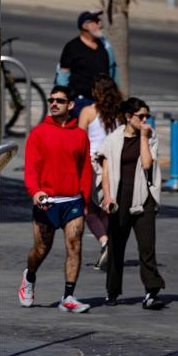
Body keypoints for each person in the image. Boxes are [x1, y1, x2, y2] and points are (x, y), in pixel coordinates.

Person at [20, 85, 92, 313]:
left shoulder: (80, 135)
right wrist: (35, 191)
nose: (53, 104)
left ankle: (68, 296)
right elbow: (30, 168)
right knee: (41, 250)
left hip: (72, 202)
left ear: (70, 105)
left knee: (75, 245)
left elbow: (85, 171)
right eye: (51, 100)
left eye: (59, 101)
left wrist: (86, 201)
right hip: (47, 202)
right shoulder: (39, 133)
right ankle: (29, 277)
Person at [97, 97, 165, 310]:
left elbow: (146, 163)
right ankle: (112, 291)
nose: (145, 120)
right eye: (140, 116)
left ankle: (151, 292)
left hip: (143, 194)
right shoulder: (112, 140)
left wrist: (144, 136)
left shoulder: (150, 137)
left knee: (147, 246)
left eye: (147, 116)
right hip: (119, 195)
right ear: (128, 116)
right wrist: (107, 197)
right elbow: (105, 171)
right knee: (116, 246)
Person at [78, 76, 123, 270]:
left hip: (92, 163)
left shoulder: (88, 111)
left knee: (87, 208)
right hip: (114, 163)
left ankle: (105, 242)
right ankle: (109, 247)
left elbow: (79, 140)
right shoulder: (121, 114)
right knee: (107, 206)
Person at [56, 11, 116, 118]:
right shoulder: (72, 47)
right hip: (80, 102)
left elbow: (112, 71)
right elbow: (63, 75)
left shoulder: (104, 45)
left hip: (103, 102)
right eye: (96, 21)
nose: (100, 25)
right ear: (85, 25)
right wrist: (61, 100)